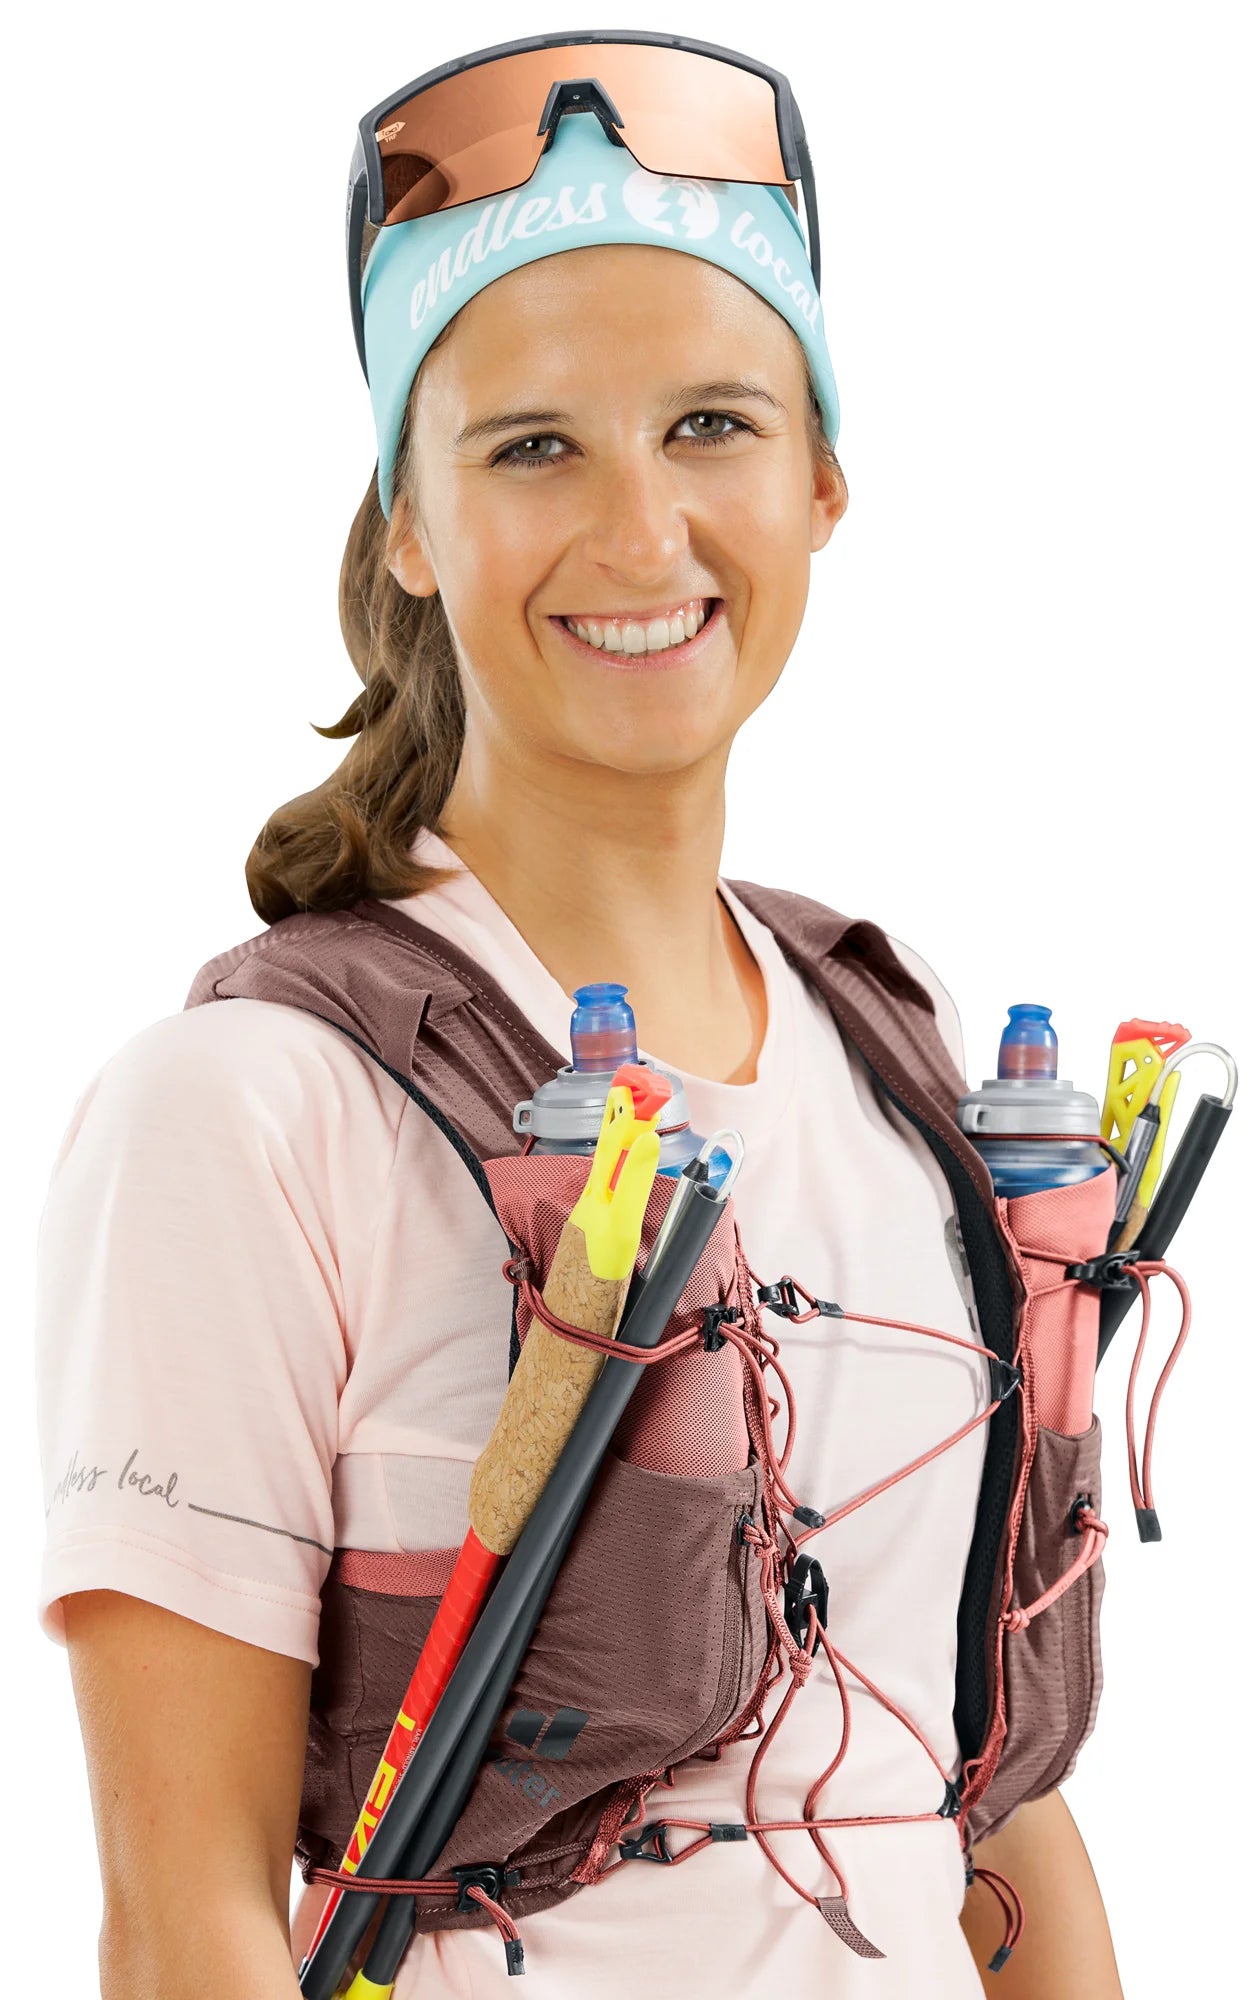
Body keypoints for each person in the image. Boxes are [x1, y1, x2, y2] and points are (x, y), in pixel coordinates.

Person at [35, 36, 1125, 1999]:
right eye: (534, 446)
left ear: (821, 483)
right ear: (407, 526)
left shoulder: (901, 1054)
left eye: (710, 425)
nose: (641, 537)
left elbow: (982, 1806)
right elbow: (178, 1923)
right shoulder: (246, 1113)